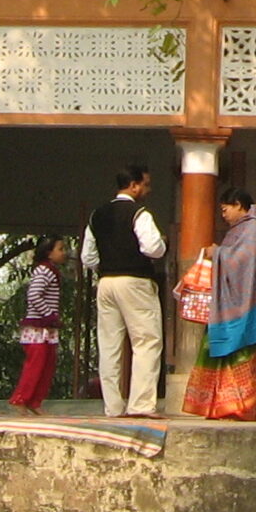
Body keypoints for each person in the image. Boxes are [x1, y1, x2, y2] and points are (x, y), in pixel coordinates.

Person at [184, 190, 256, 419]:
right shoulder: (241, 230)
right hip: (231, 303)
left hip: (251, 307)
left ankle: (242, 409)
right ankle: (223, 407)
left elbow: (244, 261)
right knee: (223, 356)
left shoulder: (255, 228)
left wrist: (218, 253)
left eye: (225, 209)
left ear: (239, 205)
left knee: (247, 357)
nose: (224, 215)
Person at [83, 166, 167, 418]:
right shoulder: (139, 213)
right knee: (146, 341)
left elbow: (88, 257)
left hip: (107, 281)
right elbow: (154, 249)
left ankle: (113, 407)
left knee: (109, 345)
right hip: (135, 281)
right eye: (146, 185)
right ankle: (140, 404)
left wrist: (109, 262)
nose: (147, 190)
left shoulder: (96, 215)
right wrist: (163, 241)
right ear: (134, 185)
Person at [10, 235, 66, 413]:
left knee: (47, 364)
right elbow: (34, 295)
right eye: (60, 249)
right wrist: (50, 315)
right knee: (36, 364)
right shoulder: (44, 271)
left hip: (46, 327)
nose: (64, 253)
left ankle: (34, 401)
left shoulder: (50, 271)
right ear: (49, 253)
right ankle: (21, 398)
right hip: (38, 327)